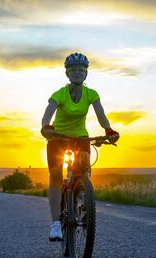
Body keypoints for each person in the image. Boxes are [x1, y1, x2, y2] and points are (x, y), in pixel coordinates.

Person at [40, 52, 119, 241]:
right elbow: (46, 115)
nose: (77, 73)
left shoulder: (91, 94)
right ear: (67, 74)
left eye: (81, 70)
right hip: (58, 137)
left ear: (86, 74)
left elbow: (101, 115)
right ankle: (56, 224)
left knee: (84, 171)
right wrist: (46, 127)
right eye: (73, 70)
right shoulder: (59, 94)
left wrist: (108, 130)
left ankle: (82, 200)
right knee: (56, 174)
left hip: (81, 137)